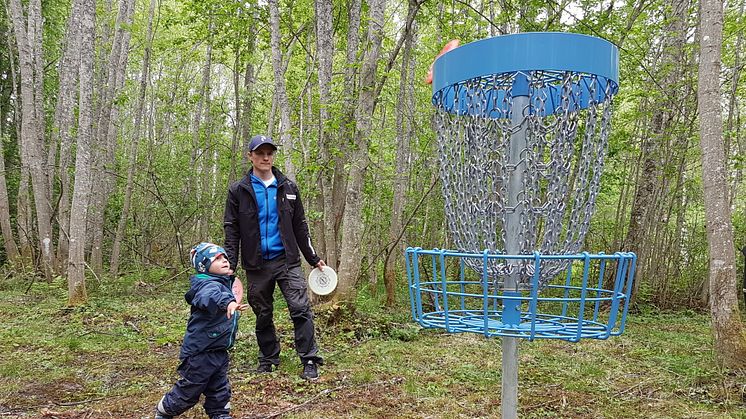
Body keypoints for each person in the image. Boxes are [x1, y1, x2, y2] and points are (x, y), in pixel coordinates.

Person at [223, 134, 326, 380]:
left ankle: (309, 359)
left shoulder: (288, 187)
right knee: (263, 312)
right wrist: (230, 264)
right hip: (256, 264)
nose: (265, 157)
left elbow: (300, 226)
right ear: (250, 156)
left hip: (287, 261)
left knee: (300, 308)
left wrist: (313, 258)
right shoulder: (239, 190)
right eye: (260, 153)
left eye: (269, 153)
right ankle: (268, 358)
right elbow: (232, 229)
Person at [155, 242, 248, 419]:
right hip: (200, 353)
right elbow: (210, 297)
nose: (224, 261)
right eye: (216, 258)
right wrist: (227, 303)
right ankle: (164, 410)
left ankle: (220, 414)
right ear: (204, 265)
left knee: (220, 388)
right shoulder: (206, 285)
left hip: (219, 350)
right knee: (190, 391)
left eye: (224, 257)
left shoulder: (224, 283)